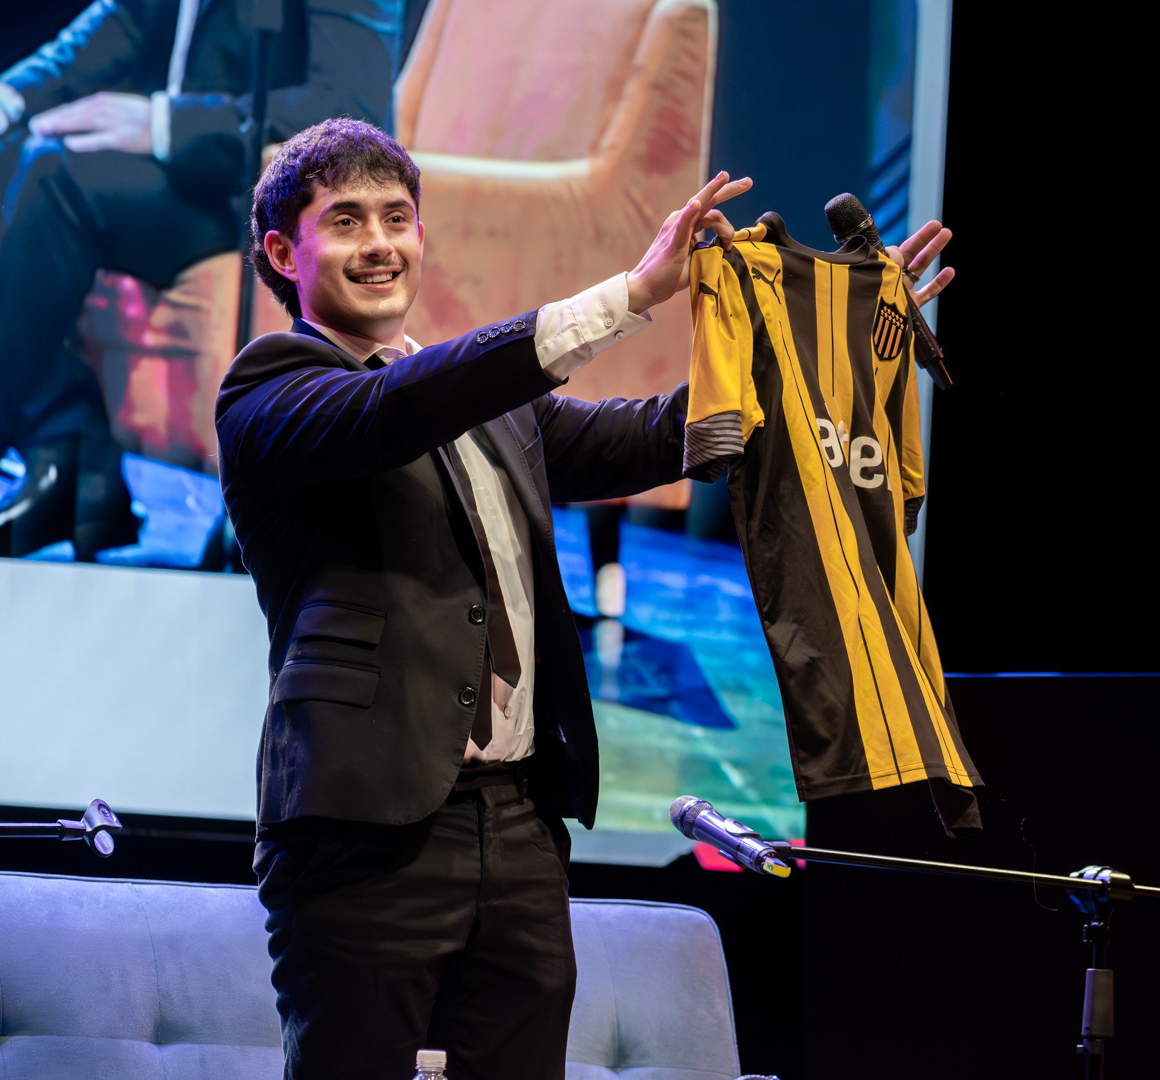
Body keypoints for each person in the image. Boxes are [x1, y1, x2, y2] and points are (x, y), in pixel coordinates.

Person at [217, 117, 954, 1079]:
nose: (380, 244)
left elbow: (657, 434)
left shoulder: (491, 409)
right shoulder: (270, 385)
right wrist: (633, 294)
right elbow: (396, 411)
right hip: (362, 826)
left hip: (519, 824)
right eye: (347, 221)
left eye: (397, 218)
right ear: (285, 253)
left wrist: (829, 344)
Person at [0, 0, 397, 559]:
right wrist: (7, 98)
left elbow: (353, 110)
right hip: (158, 166)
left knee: (55, 177)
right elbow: (124, 17)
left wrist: (165, 124)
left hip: (244, 192)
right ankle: (70, 445)